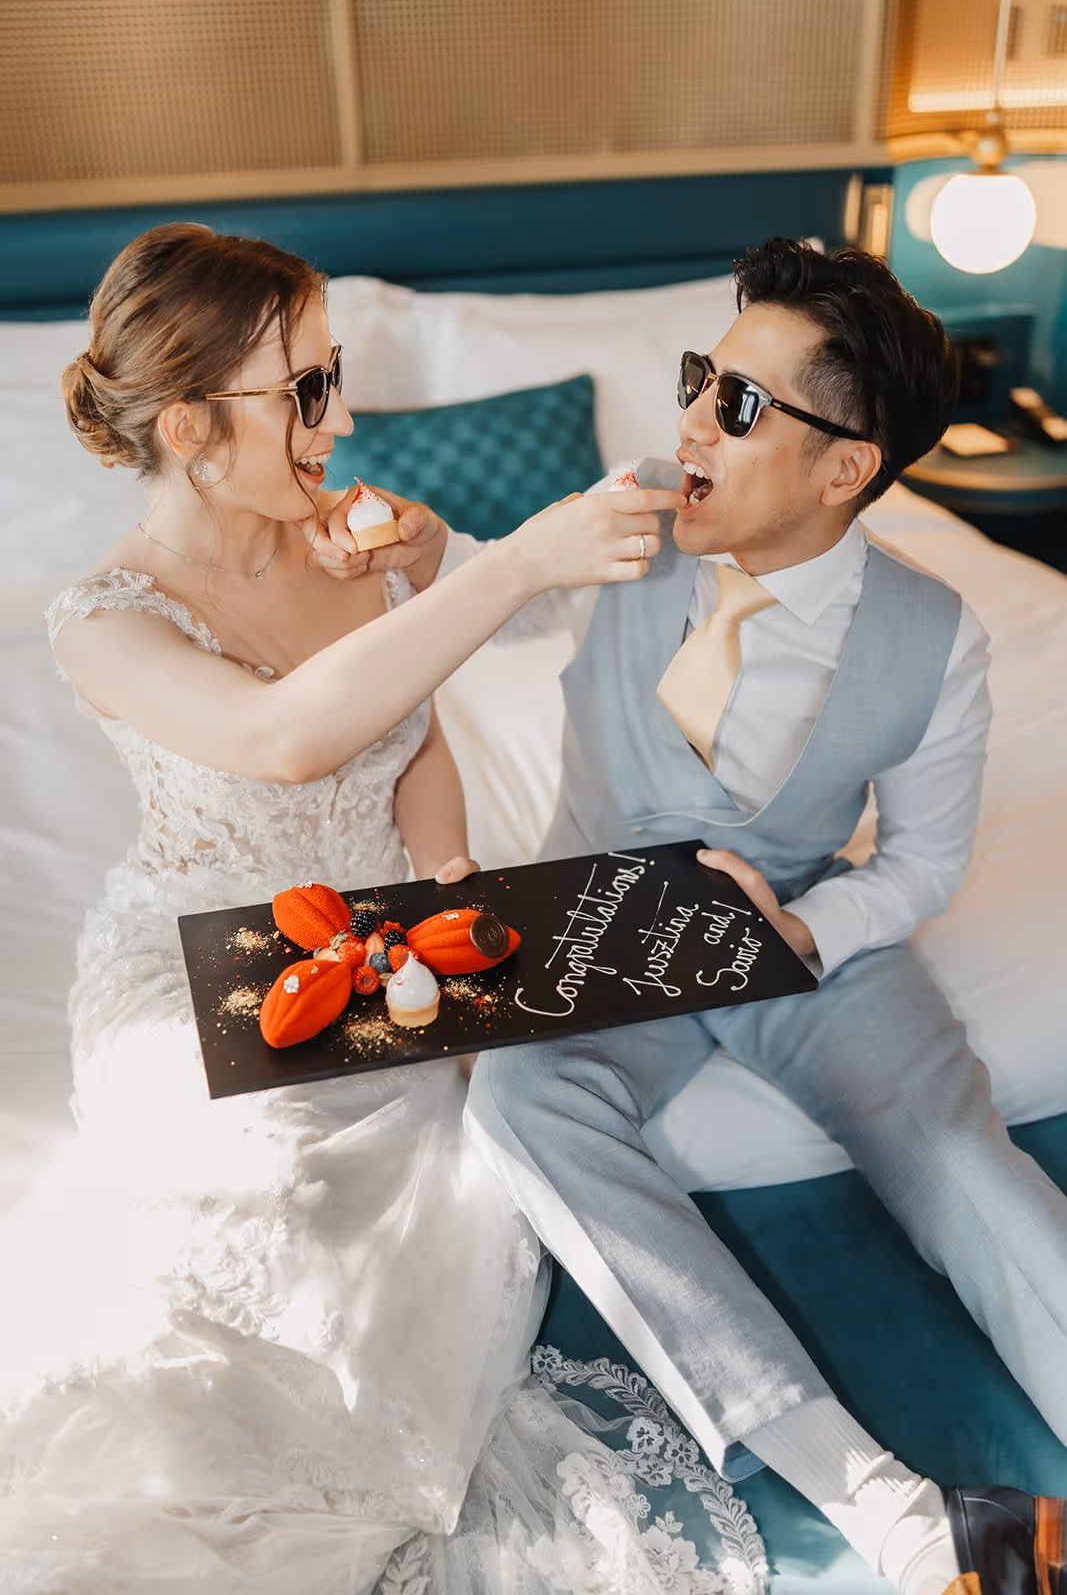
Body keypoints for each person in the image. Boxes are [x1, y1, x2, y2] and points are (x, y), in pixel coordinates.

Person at [344, 240, 1067, 1595]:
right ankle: (887, 1511)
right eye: (697, 379)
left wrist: (809, 934)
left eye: (736, 405)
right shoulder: (630, 511)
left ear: (844, 468)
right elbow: (508, 589)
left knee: (951, 1146)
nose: (688, 422)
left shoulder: (936, 637)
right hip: (598, 921)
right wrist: (436, 550)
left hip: (797, 923)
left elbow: (920, 862)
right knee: (519, 1104)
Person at [0, 222, 698, 1592]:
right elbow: (286, 741)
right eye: (308, 390)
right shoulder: (101, 619)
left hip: (382, 950)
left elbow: (407, 740)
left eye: (337, 379)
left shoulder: (354, 546)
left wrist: (446, 880)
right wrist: (509, 562)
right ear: (191, 425)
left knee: (481, 1150)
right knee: (274, 1190)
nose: (345, 420)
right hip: (196, 969)